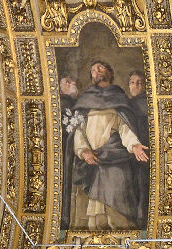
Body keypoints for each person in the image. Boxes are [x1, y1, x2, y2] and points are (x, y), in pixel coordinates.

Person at [62, 61, 149, 231]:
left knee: (118, 210)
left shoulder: (119, 98)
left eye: (100, 67)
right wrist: (83, 151)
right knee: (93, 216)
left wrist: (135, 145)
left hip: (115, 159)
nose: (96, 71)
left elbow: (125, 127)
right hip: (90, 162)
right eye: (93, 70)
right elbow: (77, 130)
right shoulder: (85, 99)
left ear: (109, 71)